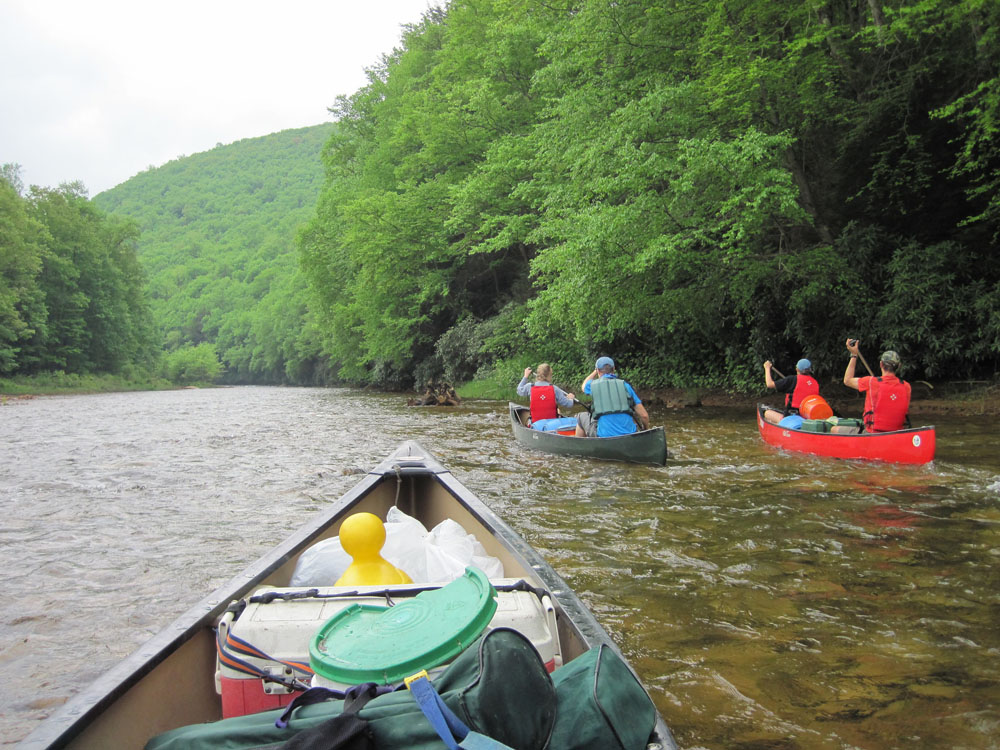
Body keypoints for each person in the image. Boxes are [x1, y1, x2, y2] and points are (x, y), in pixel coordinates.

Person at [843, 339, 911, 432]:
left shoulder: (871, 382)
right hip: (896, 434)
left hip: (873, 434)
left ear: (881, 364)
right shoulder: (906, 386)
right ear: (899, 366)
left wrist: (854, 355)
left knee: (834, 429)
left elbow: (847, 380)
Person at [574, 357, 650, 437]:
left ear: (598, 371)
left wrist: (594, 372)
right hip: (630, 435)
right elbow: (644, 416)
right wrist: (645, 430)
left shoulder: (593, 385)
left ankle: (580, 447)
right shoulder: (625, 386)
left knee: (581, 417)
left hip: (604, 436)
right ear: (614, 369)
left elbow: (583, 386)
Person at [762, 358, 820, 424]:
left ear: (797, 369)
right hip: (808, 416)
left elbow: (769, 384)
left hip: (792, 416)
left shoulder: (792, 379)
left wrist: (767, 368)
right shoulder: (815, 383)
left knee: (767, 413)